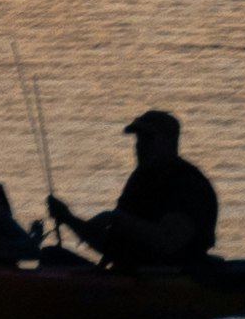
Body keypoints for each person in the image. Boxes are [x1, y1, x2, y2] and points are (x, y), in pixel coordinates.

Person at [47, 108, 220, 272]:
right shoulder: (141, 179)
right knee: (52, 256)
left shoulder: (187, 183)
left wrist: (115, 218)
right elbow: (111, 245)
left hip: (169, 280)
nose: (139, 146)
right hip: (129, 276)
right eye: (138, 139)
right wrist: (68, 218)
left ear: (169, 141)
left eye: (147, 138)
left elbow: (169, 242)